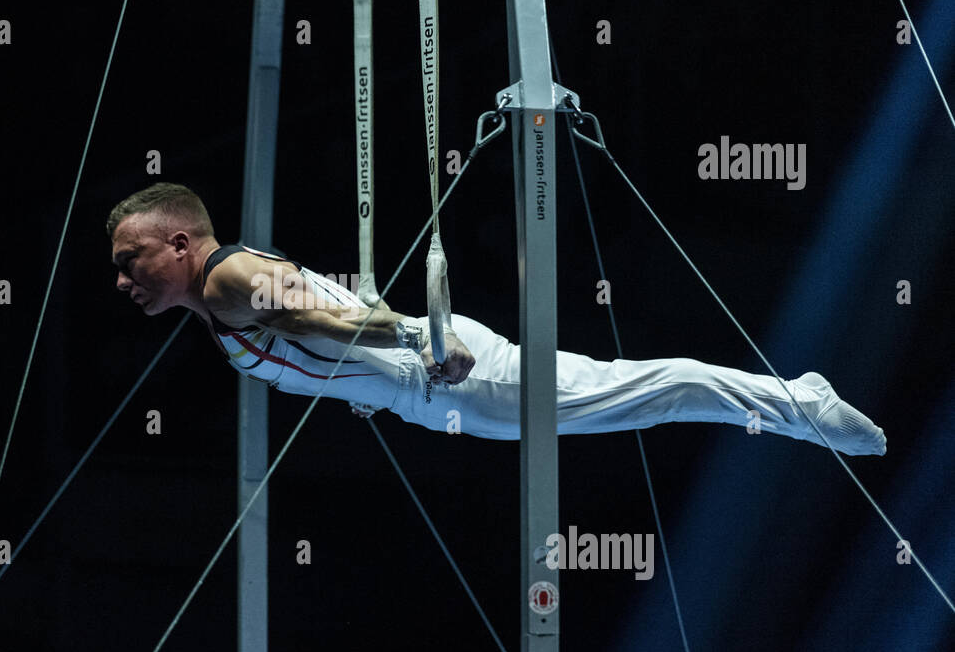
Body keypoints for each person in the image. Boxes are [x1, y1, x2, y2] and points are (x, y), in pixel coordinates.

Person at [106, 182, 886, 454]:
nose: (121, 278)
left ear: (180, 242)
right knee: (641, 397)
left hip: (449, 374)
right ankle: (794, 406)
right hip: (434, 393)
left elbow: (320, 318)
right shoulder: (219, 297)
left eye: (131, 258)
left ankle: (800, 404)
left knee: (652, 393)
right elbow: (323, 329)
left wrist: (413, 340)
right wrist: (368, 385)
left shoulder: (229, 280)